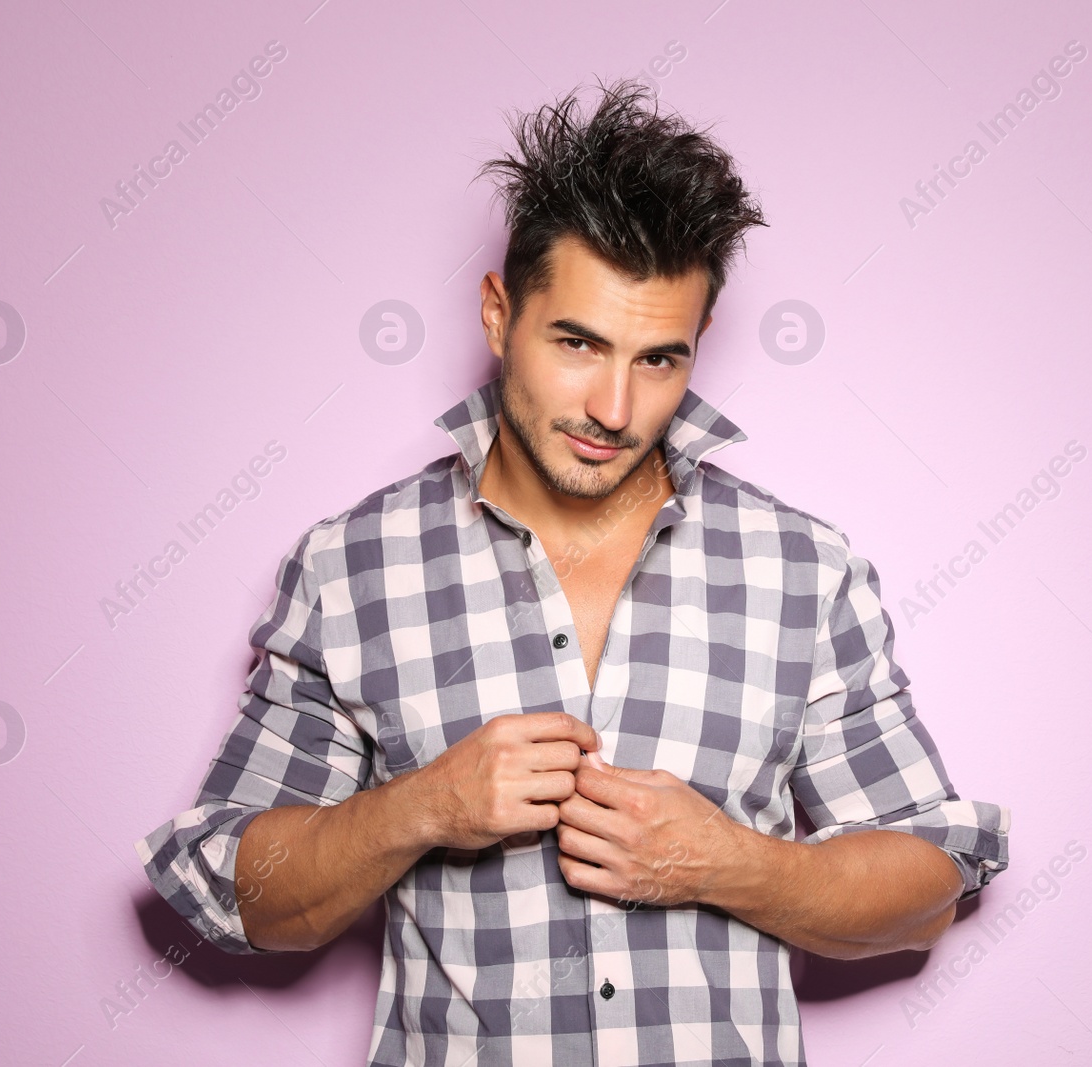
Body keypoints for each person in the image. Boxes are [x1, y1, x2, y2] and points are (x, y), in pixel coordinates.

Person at [135, 76, 1009, 1067]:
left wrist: (732, 864)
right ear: (499, 313)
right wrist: (422, 805)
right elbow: (236, 892)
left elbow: (927, 885)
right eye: (578, 342)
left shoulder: (803, 570)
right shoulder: (352, 568)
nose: (613, 406)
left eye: (657, 360)